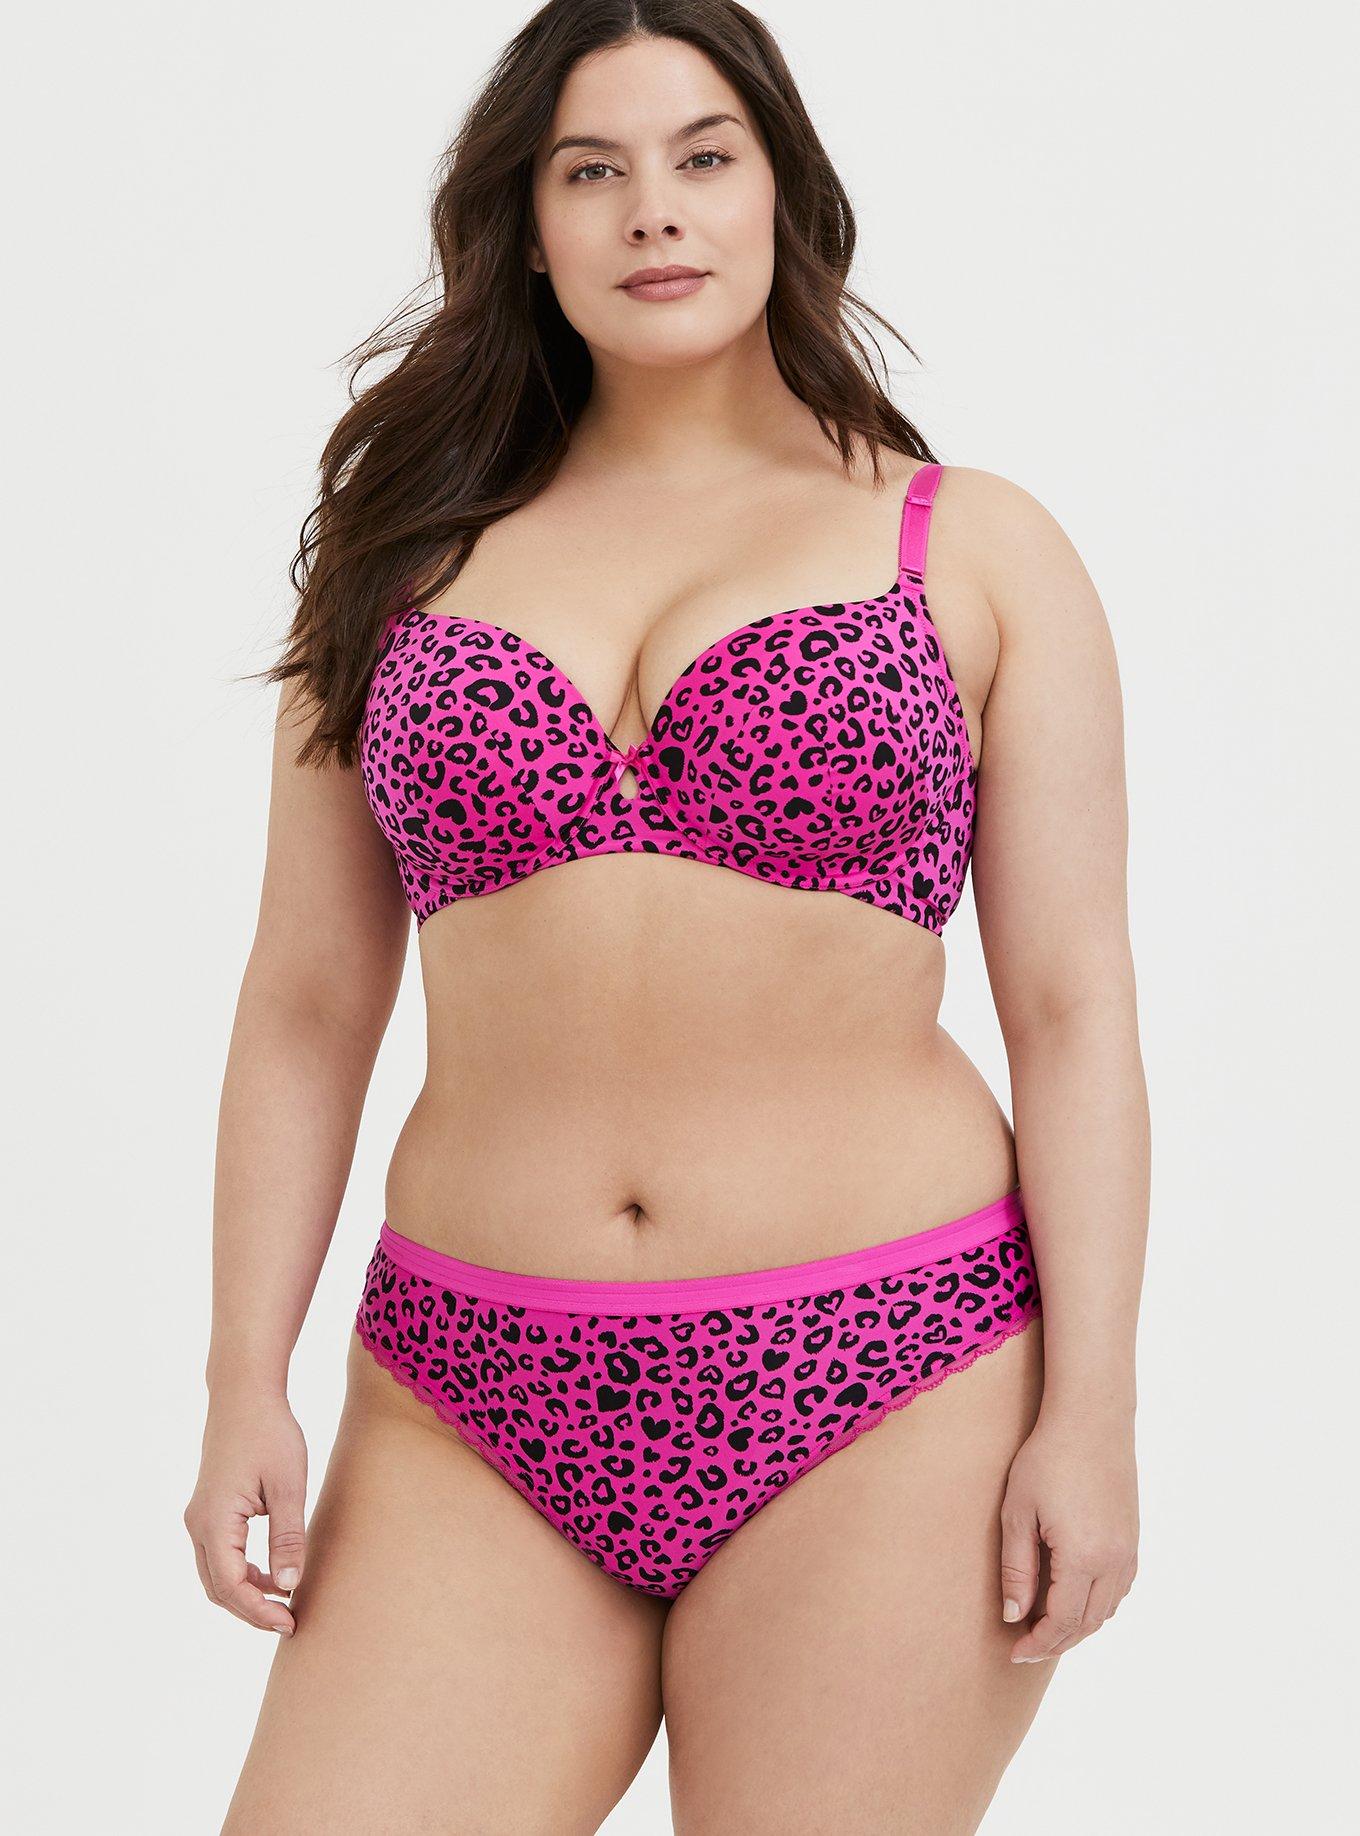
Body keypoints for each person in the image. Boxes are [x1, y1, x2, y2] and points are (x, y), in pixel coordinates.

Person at [187, 3, 1149, 1829]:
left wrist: (1091, 1409)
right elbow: (305, 1002)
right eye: (592, 170)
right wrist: (246, 1377)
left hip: (892, 1371)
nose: (654, 209)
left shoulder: (975, 547)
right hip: (469, 1390)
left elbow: (1075, 1006)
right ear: (527, 225)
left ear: (783, 193)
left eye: (705, 157)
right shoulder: (401, 554)